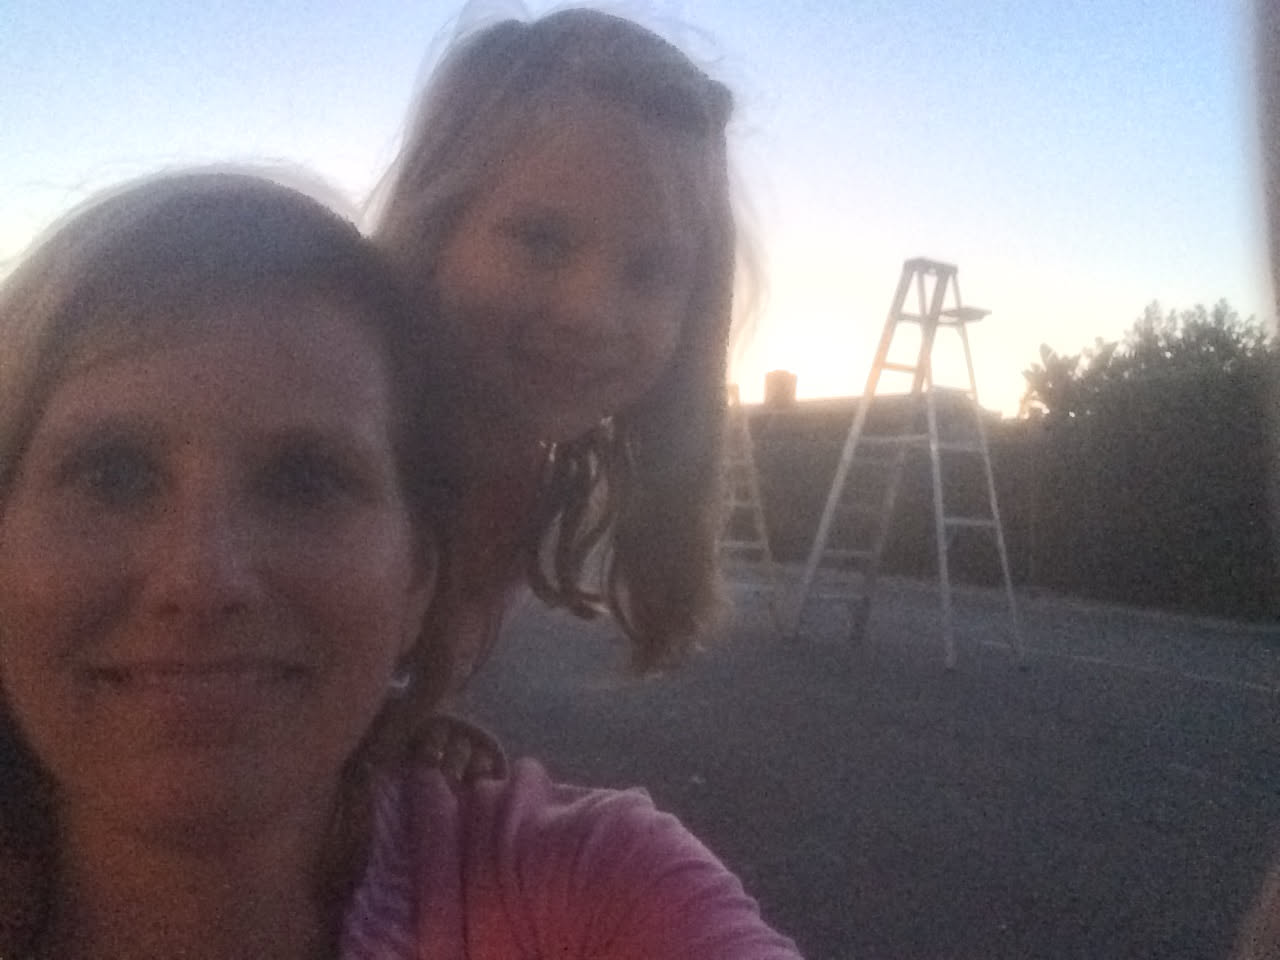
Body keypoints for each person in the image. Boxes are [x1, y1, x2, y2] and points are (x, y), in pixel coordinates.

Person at [0, 170, 801, 959]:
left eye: (306, 480)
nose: (203, 580)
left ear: (420, 576)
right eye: (113, 476)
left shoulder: (601, 891)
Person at [370, 7, 740, 711]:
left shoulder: (516, 469)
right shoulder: (334, 451)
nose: (589, 312)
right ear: (435, 225)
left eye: (650, 271)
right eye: (540, 240)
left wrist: (414, 728)